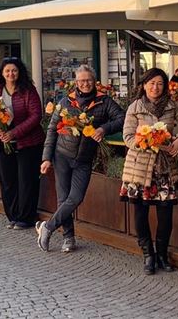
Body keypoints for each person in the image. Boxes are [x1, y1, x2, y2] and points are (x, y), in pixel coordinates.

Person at [120, 68, 178, 275]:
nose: (155, 87)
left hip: (163, 167)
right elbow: (128, 137)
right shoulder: (135, 107)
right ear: (144, 85)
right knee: (141, 212)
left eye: (159, 84)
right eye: (151, 83)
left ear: (165, 86)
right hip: (140, 167)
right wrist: (147, 142)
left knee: (166, 214)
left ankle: (162, 253)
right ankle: (148, 254)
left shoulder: (172, 106)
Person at [37, 65, 125, 253]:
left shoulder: (104, 101)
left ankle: (48, 227)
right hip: (61, 156)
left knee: (75, 197)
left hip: (84, 159)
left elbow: (122, 118)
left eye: (89, 80)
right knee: (63, 199)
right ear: (76, 83)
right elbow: (52, 130)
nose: (85, 84)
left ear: (94, 81)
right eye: (82, 81)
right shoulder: (65, 102)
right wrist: (46, 158)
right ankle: (69, 238)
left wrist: (104, 129)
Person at [0, 58, 44, 230]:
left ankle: (26, 218)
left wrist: (14, 133)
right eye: (7, 71)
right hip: (3, 142)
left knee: (27, 180)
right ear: (2, 73)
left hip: (28, 142)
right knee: (8, 181)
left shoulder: (28, 91)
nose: (11, 74)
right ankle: (13, 216)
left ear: (19, 72)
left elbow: (36, 116)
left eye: (14, 70)